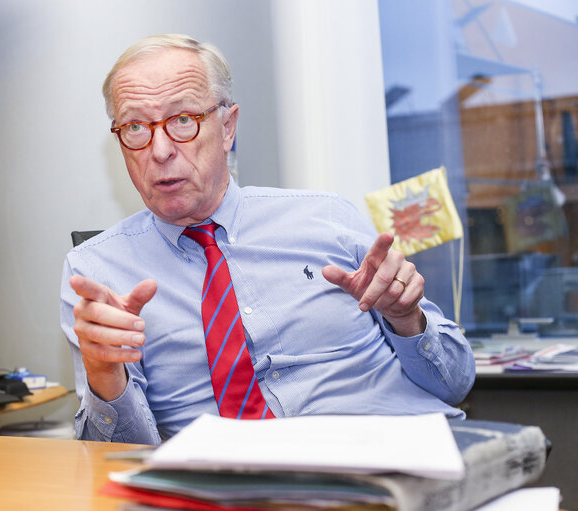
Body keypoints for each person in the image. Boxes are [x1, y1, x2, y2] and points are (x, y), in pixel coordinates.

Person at [60, 34, 475, 445]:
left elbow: (455, 383)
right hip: (239, 492)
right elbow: (117, 459)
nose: (161, 149)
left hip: (406, 456)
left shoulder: (327, 217)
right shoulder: (96, 273)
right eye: (135, 126)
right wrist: (105, 376)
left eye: (183, 120)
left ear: (228, 128)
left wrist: (406, 320)